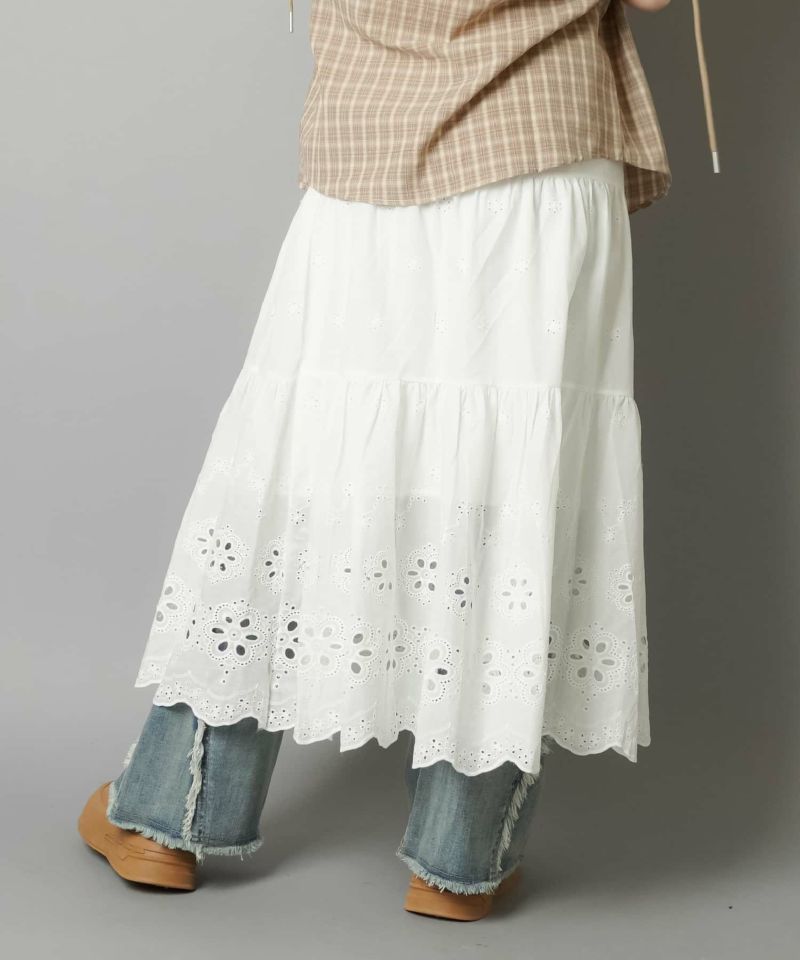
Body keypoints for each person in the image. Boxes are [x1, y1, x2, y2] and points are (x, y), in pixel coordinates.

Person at [79, 0, 677, 921]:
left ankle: (171, 816)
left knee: (305, 482)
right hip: (541, 154)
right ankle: (459, 856)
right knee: (510, 491)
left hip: (373, 146)